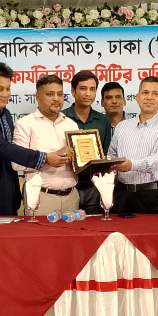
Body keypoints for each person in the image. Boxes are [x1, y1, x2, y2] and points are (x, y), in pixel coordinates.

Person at [0, 60, 71, 216]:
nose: (6, 94)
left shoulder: (4, 113)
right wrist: (45, 158)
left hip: (5, 192)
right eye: (0, 89)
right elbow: (3, 147)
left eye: (8, 88)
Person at [12, 75, 79, 215]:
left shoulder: (71, 124)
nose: (56, 98)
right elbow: (16, 163)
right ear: (38, 97)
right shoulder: (25, 124)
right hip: (41, 197)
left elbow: (80, 162)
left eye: (60, 94)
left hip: (71, 197)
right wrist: (47, 159)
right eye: (50, 94)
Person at [109, 76, 158, 215]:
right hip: (121, 194)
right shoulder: (122, 126)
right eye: (145, 93)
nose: (149, 97)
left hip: (150, 195)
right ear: (137, 97)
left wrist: (132, 165)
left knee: (149, 230)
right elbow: (112, 155)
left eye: (155, 93)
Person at [63, 71, 112, 214]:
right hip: (67, 185)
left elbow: (106, 152)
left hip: (94, 185)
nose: (88, 94)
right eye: (83, 88)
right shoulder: (62, 117)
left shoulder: (103, 120)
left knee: (94, 224)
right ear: (73, 91)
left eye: (92, 89)